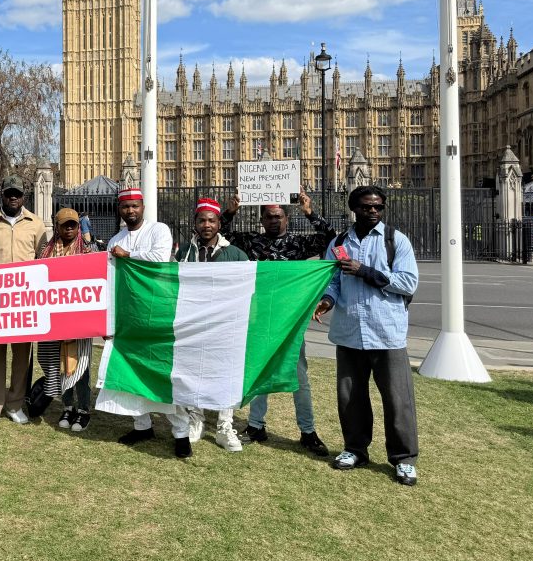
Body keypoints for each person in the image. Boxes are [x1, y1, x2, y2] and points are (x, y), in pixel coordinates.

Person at [313, 185, 420, 486]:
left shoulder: (395, 240)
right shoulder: (338, 243)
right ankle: (355, 449)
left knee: (398, 400)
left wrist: (364, 271)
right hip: (349, 332)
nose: (373, 211)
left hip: (387, 333)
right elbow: (332, 281)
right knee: (351, 398)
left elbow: (408, 282)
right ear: (354, 209)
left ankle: (403, 459)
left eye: (378, 207)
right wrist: (327, 300)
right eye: (366, 206)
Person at [220, 188, 335, 457]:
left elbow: (331, 238)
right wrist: (231, 211)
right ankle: (256, 425)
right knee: (260, 370)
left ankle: (308, 431)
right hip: (260, 317)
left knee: (299, 375)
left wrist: (310, 213)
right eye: (270, 216)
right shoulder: (250, 242)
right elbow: (219, 234)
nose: (275, 220)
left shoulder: (299, 243)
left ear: (287, 218)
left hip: (290, 319)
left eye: (279, 216)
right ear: (262, 220)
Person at [98, 188, 194, 458]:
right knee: (133, 373)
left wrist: (128, 256)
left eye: (134, 206)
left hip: (157, 312)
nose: (130, 211)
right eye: (125, 207)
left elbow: (160, 260)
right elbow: (111, 280)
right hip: (129, 316)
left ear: (142, 206)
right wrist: (109, 322)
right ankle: (142, 426)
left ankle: (181, 432)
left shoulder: (158, 230)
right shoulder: (115, 239)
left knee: (163, 373)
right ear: (120, 210)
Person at [0, 176, 48, 429]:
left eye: (17, 194)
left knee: (22, 354)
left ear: (24, 197)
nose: (13, 198)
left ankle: (15, 404)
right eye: (8, 194)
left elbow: (43, 259)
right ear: (1, 195)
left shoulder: (36, 223)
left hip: (24, 300)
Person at [176, 197, 250, 452]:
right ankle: (195, 419)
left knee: (225, 375)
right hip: (193, 324)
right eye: (202, 220)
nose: (206, 225)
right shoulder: (184, 252)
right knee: (193, 372)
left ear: (219, 223)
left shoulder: (235, 254)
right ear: (195, 223)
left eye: (211, 220)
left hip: (225, 326)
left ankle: (224, 427)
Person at [34, 208, 95, 432]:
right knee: (60, 366)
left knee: (81, 367)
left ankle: (84, 410)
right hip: (54, 320)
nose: (69, 228)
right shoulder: (45, 253)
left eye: (73, 225)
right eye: (64, 225)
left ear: (79, 227)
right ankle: (68, 407)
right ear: (57, 227)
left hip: (80, 320)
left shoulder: (88, 251)